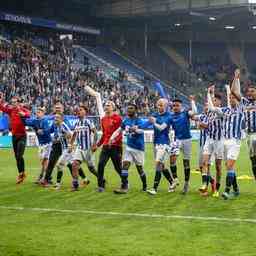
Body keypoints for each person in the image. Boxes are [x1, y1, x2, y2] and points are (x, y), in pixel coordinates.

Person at [207, 69, 245, 200]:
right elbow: (212, 108)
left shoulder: (240, 109)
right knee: (230, 167)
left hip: (235, 141)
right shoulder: (225, 110)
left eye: (234, 97)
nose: (232, 99)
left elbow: (237, 91)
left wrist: (236, 78)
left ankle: (227, 191)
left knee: (229, 165)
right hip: (224, 141)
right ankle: (236, 189)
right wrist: (209, 93)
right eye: (230, 97)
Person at [109, 103, 147, 194]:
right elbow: (119, 130)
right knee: (125, 166)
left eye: (131, 108)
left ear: (135, 110)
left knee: (140, 169)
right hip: (129, 147)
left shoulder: (139, 121)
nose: (129, 110)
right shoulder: (125, 120)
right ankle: (124, 187)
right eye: (128, 108)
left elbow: (142, 130)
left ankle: (145, 185)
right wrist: (111, 138)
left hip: (138, 148)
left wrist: (135, 130)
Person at [169, 96, 197, 194]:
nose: (175, 107)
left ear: (181, 106)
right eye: (174, 106)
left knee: (186, 162)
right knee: (172, 160)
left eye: (177, 105)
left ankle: (186, 183)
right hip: (177, 140)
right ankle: (175, 179)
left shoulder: (185, 113)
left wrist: (192, 101)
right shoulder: (171, 116)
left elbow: (194, 112)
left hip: (187, 140)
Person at [93, 101, 123, 192]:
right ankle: (100, 186)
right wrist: (97, 145)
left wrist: (113, 140)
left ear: (113, 108)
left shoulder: (118, 118)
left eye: (108, 105)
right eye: (105, 105)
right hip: (106, 146)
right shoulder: (103, 119)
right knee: (101, 164)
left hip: (116, 146)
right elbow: (104, 134)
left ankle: (125, 182)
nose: (106, 107)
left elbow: (120, 133)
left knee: (118, 167)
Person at [0, 93, 30, 184]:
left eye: (15, 102)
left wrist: (23, 114)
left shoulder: (22, 109)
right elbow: (2, 108)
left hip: (22, 136)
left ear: (18, 102)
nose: (13, 104)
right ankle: (21, 173)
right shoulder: (10, 110)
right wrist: (1, 99)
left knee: (19, 155)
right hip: (14, 136)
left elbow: (28, 115)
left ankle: (22, 173)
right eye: (12, 102)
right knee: (17, 157)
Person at [198, 92, 224, 198]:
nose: (212, 102)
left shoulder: (221, 111)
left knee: (218, 167)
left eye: (214, 100)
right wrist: (202, 125)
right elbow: (208, 125)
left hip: (219, 141)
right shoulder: (208, 113)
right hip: (209, 140)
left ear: (219, 102)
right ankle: (204, 184)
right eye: (211, 100)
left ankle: (217, 188)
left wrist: (209, 93)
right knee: (204, 162)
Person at [147, 99, 173, 195]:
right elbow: (147, 123)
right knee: (161, 166)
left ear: (166, 106)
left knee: (158, 164)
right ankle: (172, 182)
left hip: (164, 142)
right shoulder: (155, 115)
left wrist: (154, 122)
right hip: (155, 143)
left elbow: (162, 128)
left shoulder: (168, 116)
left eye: (161, 105)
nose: (159, 106)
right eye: (158, 105)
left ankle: (154, 188)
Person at [70, 104, 100, 191]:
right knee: (74, 164)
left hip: (88, 149)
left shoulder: (88, 122)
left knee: (91, 169)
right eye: (78, 110)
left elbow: (96, 133)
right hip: (79, 148)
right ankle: (75, 185)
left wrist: (94, 144)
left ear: (85, 112)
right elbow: (74, 135)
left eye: (81, 110)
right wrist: (70, 145)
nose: (79, 111)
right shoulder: (77, 123)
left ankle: (101, 178)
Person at [24, 107, 52, 183]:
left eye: (39, 112)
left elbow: (48, 131)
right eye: (37, 112)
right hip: (41, 144)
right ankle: (44, 176)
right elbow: (26, 122)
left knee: (45, 161)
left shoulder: (45, 121)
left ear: (43, 113)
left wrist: (42, 131)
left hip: (47, 144)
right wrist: (23, 115)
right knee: (43, 161)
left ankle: (46, 178)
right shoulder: (34, 121)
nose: (37, 113)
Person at [243, 86, 256, 180]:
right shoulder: (244, 102)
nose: (250, 93)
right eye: (249, 91)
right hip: (248, 134)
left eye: (252, 91)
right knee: (252, 158)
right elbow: (235, 93)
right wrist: (236, 79)